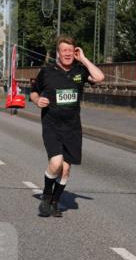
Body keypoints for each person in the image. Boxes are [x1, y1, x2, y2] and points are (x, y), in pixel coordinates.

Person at [29, 36, 105, 217]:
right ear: (58, 53)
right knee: (55, 164)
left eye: (71, 51)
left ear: (75, 52)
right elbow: (33, 92)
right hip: (51, 125)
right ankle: (46, 198)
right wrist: (37, 100)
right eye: (64, 50)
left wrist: (84, 59)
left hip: (72, 127)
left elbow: (99, 77)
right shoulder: (47, 71)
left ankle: (55, 201)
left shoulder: (80, 70)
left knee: (66, 169)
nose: (68, 54)